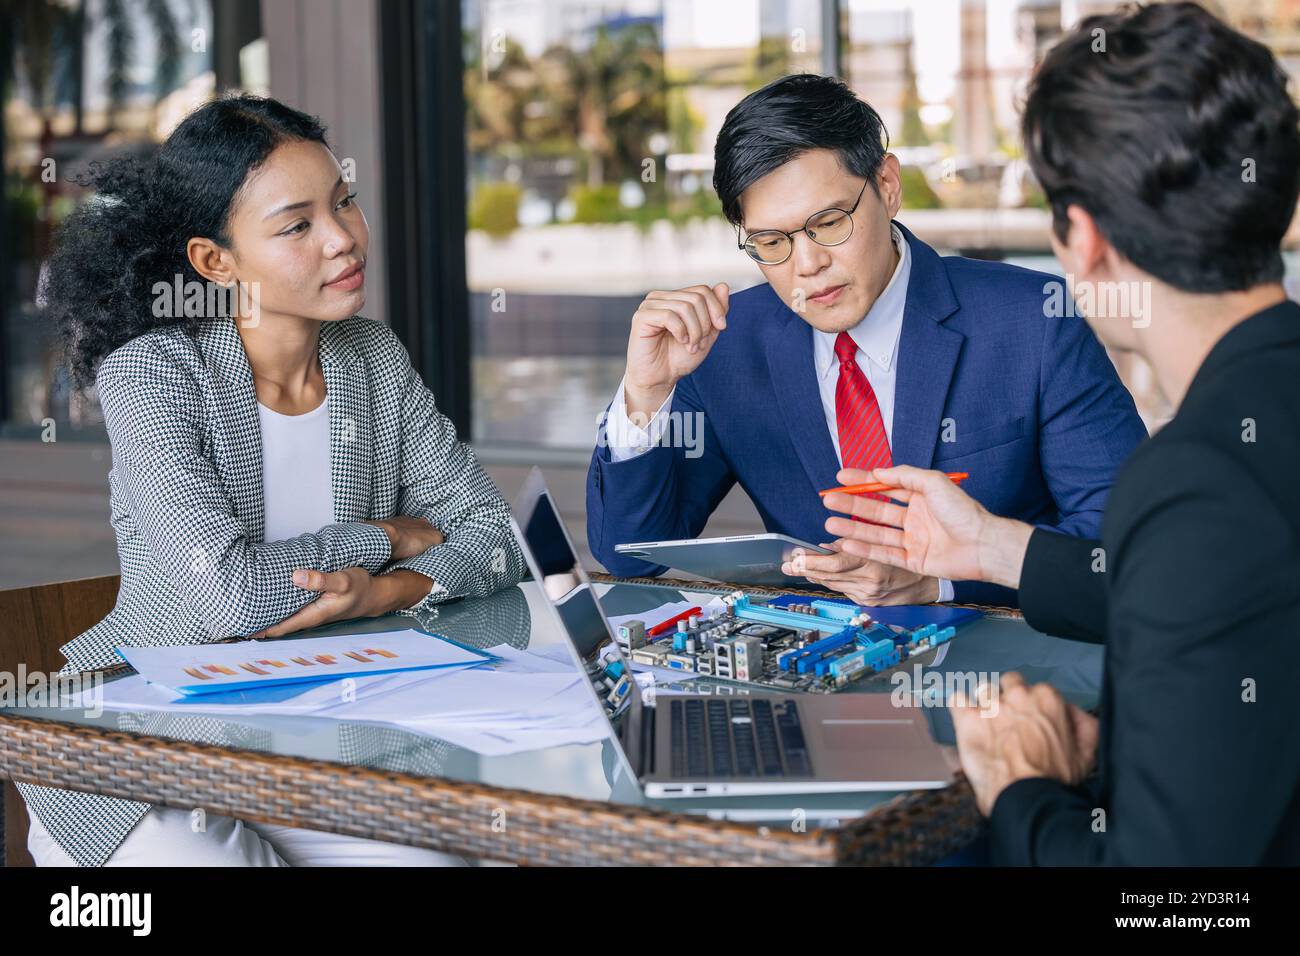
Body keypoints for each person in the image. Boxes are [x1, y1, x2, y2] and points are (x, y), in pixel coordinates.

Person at [823, 1, 1300, 864]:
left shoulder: (1197, 475)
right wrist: (993, 549)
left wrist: (1026, 785)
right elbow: (1230, 593)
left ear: (1082, 240)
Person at [18, 94, 526, 866]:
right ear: (215, 262)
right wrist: (386, 537)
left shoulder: (372, 357)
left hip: (330, 728)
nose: (343, 239)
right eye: (297, 225)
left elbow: (497, 542)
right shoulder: (153, 373)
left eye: (344, 203)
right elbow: (228, 600)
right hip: (147, 746)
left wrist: (383, 591)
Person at [586, 72, 1147, 608]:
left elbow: (1125, 551)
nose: (807, 265)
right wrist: (645, 394)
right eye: (771, 241)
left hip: (1007, 683)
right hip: (821, 685)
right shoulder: (726, 344)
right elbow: (630, 555)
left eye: (829, 223)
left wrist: (938, 584)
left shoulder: (1032, 322)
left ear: (887, 186)